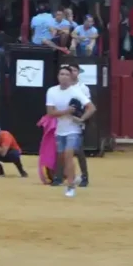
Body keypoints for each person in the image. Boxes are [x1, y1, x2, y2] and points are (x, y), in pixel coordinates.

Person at [45, 64, 96, 198]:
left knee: (69, 155)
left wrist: (81, 119)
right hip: (60, 130)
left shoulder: (76, 91)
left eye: (67, 74)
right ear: (58, 76)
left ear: (72, 76)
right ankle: (74, 178)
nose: (64, 77)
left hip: (73, 129)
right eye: (62, 74)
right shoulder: (51, 91)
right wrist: (66, 112)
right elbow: (50, 113)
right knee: (62, 157)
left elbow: (91, 107)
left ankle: (70, 186)